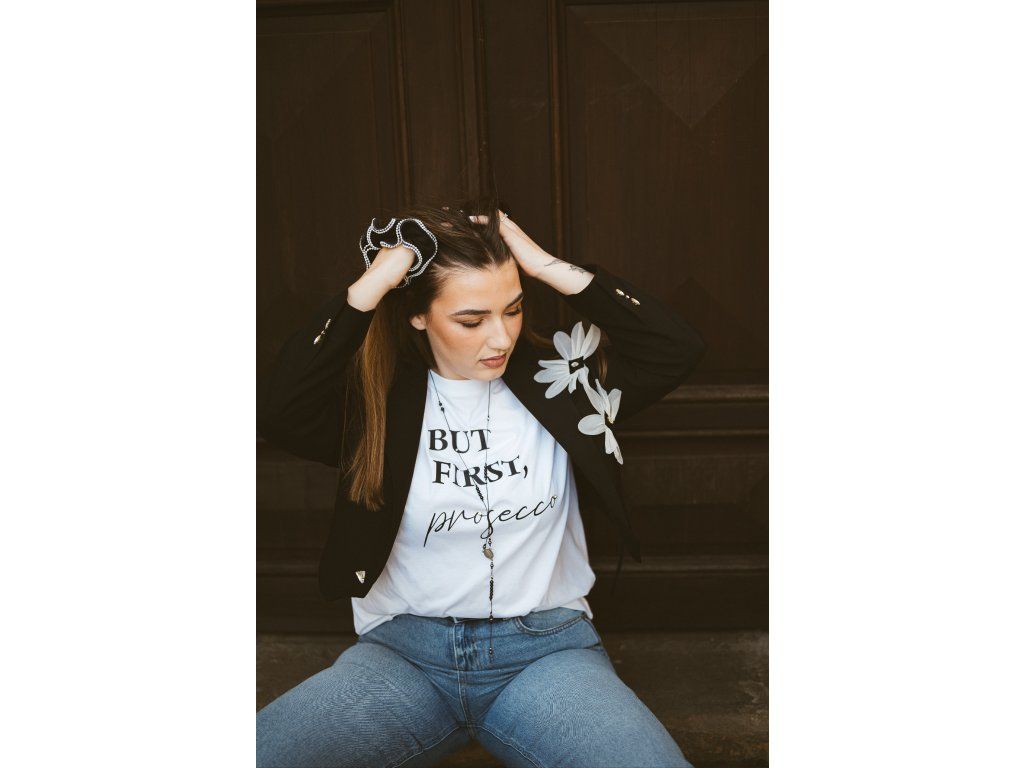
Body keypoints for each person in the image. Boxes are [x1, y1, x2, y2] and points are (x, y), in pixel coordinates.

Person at [256, 198, 706, 767]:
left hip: (546, 654)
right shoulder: (376, 405)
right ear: (418, 315)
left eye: (513, 310)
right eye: (471, 320)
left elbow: (675, 349)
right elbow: (280, 410)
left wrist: (545, 266)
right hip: (403, 657)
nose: (501, 338)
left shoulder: (561, 382)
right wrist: (374, 284)